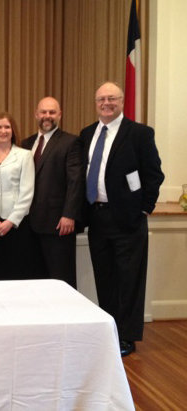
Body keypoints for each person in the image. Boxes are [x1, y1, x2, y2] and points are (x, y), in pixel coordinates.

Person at [79, 81, 164, 356]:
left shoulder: (139, 134)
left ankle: (127, 337)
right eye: (101, 99)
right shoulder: (87, 133)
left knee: (129, 280)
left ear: (122, 101)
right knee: (105, 278)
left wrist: (144, 208)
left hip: (128, 219)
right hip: (98, 217)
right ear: (96, 103)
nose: (106, 103)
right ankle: (109, 330)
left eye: (111, 98)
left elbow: (154, 174)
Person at [21, 97, 83, 288]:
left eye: (52, 112)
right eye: (43, 112)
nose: (47, 116)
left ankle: (66, 317)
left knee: (61, 279)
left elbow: (76, 181)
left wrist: (68, 215)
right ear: (36, 114)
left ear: (60, 115)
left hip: (58, 224)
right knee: (35, 279)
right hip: (29, 225)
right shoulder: (26, 143)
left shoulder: (71, 142)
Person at [0, 112, 35, 280]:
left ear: (13, 130)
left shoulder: (25, 155)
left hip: (17, 225)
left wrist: (10, 222)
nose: (3, 131)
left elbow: (27, 192)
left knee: (16, 271)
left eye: (7, 127)